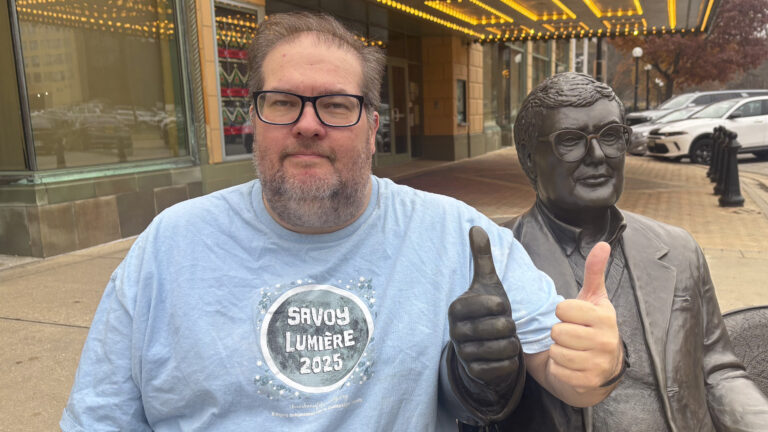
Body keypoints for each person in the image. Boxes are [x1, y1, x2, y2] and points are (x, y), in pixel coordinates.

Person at [60, 15, 622, 431]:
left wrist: (591, 365)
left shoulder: (453, 236)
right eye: (283, 102)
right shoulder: (169, 246)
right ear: (253, 119)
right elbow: (100, 416)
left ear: (373, 126)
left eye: (334, 105)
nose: (307, 125)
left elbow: (557, 362)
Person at [500, 72, 768, 431]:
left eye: (611, 136)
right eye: (570, 141)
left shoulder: (678, 248)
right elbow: (476, 401)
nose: (597, 155)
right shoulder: (498, 262)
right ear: (529, 159)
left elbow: (719, 371)